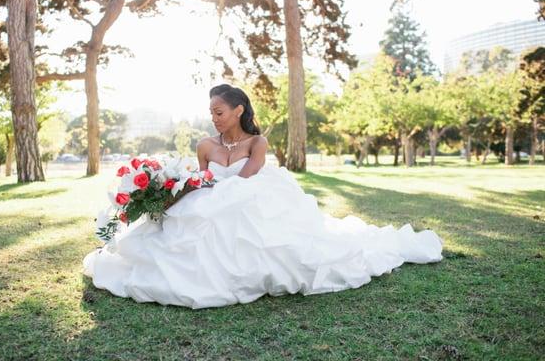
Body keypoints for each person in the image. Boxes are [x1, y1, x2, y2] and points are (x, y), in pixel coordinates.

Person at [83, 84, 443, 309]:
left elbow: (247, 176)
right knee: (188, 218)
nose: (214, 118)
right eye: (210, 112)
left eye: (219, 112)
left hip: (247, 195)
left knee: (241, 221)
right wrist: (180, 188)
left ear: (238, 110)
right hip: (209, 195)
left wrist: (210, 193)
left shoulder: (258, 142)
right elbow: (202, 176)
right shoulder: (204, 144)